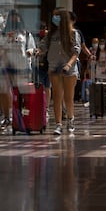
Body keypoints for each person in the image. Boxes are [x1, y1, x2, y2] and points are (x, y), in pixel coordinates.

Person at [37, 8, 81, 136]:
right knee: (57, 96)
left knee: (68, 97)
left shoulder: (73, 33)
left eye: (57, 16)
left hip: (69, 68)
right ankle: (58, 124)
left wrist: (68, 64)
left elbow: (76, 51)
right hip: (54, 66)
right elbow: (43, 47)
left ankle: (70, 119)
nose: (55, 18)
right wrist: (36, 51)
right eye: (54, 16)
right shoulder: (51, 34)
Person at [0, 9, 36, 129]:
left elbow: (33, 49)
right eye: (12, 17)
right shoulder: (3, 34)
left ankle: (23, 117)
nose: (14, 19)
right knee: (5, 91)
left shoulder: (26, 34)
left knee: (23, 93)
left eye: (16, 17)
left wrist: (30, 52)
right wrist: (8, 41)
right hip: (7, 67)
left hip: (22, 67)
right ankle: (7, 117)